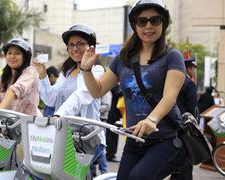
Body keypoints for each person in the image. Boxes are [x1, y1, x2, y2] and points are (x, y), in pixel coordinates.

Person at [80, 0, 188, 179]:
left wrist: (152, 119)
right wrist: (86, 69)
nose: (148, 26)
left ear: (163, 24)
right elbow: (97, 91)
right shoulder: (123, 58)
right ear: (134, 25)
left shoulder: (172, 56)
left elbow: (170, 96)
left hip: (167, 139)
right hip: (134, 140)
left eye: (155, 20)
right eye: (142, 21)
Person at [33, 24, 107, 175]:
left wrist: (58, 115)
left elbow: (80, 96)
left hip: (88, 139)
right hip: (64, 137)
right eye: (71, 45)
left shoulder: (97, 71)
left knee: (67, 174)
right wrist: (42, 75)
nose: (75, 48)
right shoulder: (67, 72)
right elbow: (51, 100)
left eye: (80, 43)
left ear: (91, 47)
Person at [171, 54, 199, 180]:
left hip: (171, 125)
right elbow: (193, 109)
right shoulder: (189, 84)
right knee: (185, 162)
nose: (193, 71)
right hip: (185, 128)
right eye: (193, 68)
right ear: (188, 68)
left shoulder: (171, 81)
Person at [105, 84, 123, 162]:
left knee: (113, 133)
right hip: (111, 112)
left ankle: (110, 154)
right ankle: (110, 154)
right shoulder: (112, 83)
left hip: (114, 112)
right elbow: (118, 92)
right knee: (111, 133)